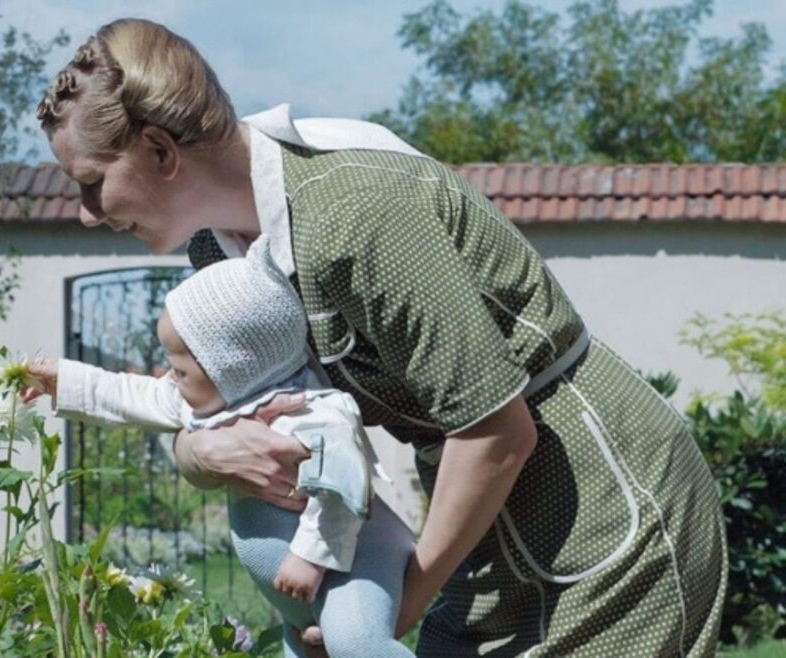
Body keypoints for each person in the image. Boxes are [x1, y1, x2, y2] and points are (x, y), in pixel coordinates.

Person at [36, 17, 727, 657]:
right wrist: (202, 452)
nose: (87, 214)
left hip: (600, 508)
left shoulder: (353, 214)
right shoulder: (217, 258)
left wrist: (384, 615)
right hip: (483, 520)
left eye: (92, 184)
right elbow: (212, 412)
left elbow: (497, 433)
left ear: (159, 150)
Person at [26, 237, 417, 657]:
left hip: (352, 563)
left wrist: (310, 557)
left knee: (358, 642)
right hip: (304, 593)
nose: (169, 378)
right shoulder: (219, 399)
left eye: (179, 369)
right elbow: (133, 395)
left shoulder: (313, 412)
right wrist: (63, 381)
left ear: (233, 366)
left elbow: (344, 484)